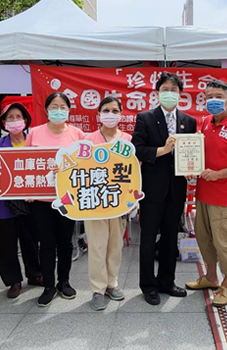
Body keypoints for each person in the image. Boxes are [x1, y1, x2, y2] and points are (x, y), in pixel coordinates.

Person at [185, 79, 227, 307]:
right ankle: (211, 277)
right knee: (204, 239)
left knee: (226, 243)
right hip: (203, 193)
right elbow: (197, 153)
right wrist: (189, 168)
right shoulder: (205, 122)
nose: (213, 101)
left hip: (225, 196)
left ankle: (226, 285)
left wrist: (218, 174)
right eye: (209, 97)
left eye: (218, 96)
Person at [132, 72, 196, 306]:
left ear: (180, 94)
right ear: (157, 93)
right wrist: (162, 150)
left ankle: (167, 282)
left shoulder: (188, 121)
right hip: (152, 189)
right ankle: (148, 286)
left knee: (170, 238)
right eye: (165, 89)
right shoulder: (145, 117)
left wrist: (191, 168)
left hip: (176, 189)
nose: (169, 93)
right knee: (148, 238)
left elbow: (190, 153)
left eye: (174, 89)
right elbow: (138, 149)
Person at [26, 92, 85, 307]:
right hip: (41, 200)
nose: (58, 109)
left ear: (69, 110)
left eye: (62, 106)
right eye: (53, 106)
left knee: (65, 242)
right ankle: (49, 285)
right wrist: (28, 191)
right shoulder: (34, 133)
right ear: (46, 110)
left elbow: (85, 164)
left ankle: (64, 282)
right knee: (46, 243)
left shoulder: (78, 134)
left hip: (67, 198)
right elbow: (26, 163)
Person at [83, 97, 132, 310]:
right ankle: (97, 289)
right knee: (96, 246)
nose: (110, 114)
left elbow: (134, 172)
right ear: (98, 115)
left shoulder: (128, 139)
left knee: (115, 246)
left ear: (121, 114)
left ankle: (112, 284)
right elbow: (78, 169)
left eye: (114, 110)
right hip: (94, 203)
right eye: (106, 110)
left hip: (119, 203)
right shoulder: (88, 140)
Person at [0, 103, 43, 299]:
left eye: (18, 117)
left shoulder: (35, 143)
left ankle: (35, 275)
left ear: (25, 121)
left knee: (30, 240)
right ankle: (13, 280)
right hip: (5, 204)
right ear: (4, 123)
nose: (14, 121)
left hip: (31, 203)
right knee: (7, 243)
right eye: (10, 118)